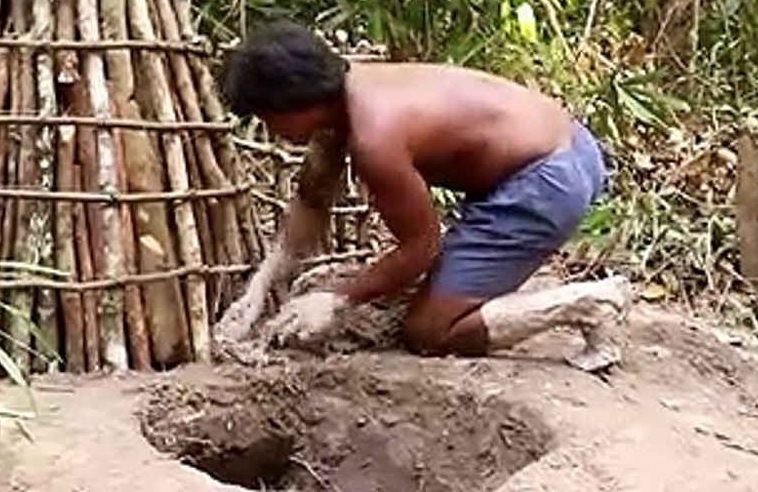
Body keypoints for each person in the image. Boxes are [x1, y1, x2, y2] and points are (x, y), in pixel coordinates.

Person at [212, 20, 632, 371]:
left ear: (296, 104)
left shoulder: (375, 138)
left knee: (430, 331)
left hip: (547, 181)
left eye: (269, 119)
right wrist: (260, 286)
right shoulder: (348, 87)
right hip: (566, 147)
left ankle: (588, 303)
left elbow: (420, 248)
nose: (272, 132)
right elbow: (312, 199)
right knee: (399, 295)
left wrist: (338, 301)